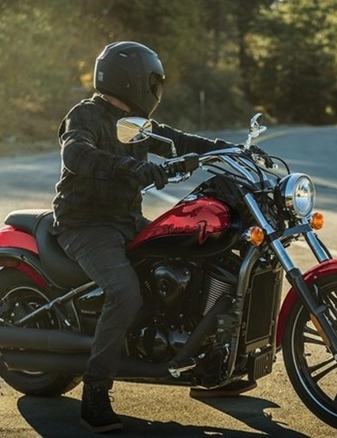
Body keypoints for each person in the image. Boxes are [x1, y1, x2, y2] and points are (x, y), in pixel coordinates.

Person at [52, 41, 255, 434]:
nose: (157, 88)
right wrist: (131, 169)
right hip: (85, 224)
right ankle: (95, 392)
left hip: (125, 219)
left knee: (196, 257)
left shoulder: (138, 124)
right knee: (125, 290)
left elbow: (181, 141)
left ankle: (213, 366)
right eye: (154, 81)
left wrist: (232, 151)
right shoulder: (86, 115)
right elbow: (76, 154)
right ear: (133, 80)